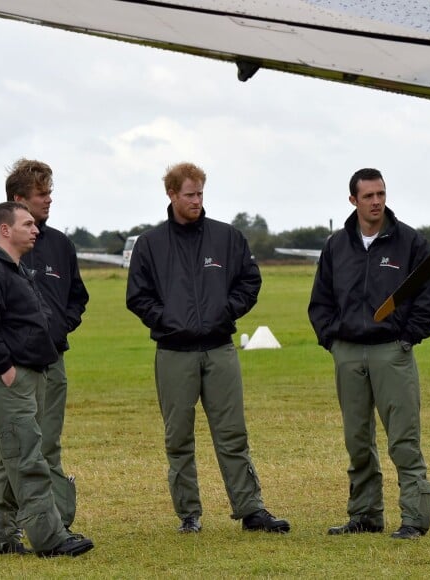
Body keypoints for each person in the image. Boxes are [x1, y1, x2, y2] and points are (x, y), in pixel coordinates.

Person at [126, 162, 290, 534]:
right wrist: (168, 320)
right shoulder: (150, 245)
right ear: (171, 194)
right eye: (189, 194)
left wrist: (224, 312)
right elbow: (137, 297)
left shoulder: (227, 238)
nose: (197, 200)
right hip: (173, 353)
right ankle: (189, 514)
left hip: (220, 349)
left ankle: (251, 510)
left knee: (233, 433)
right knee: (179, 436)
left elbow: (250, 282)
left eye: (201, 193)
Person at [0, 159, 89, 545]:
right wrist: (6, 362)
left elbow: (75, 298)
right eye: (41, 196)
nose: (48, 203)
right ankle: (48, 534)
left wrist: (56, 332)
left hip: (48, 360)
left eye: (50, 194)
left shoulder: (59, 243)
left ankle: (8, 532)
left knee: (38, 445)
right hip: (10, 367)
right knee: (22, 448)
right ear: (17, 204)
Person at [308, 168, 430, 540]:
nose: (376, 202)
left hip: (392, 352)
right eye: (368, 196)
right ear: (353, 200)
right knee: (357, 439)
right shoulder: (337, 245)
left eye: (381, 194)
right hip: (348, 353)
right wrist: (333, 342)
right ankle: (365, 514)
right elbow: (320, 301)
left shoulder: (410, 242)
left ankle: (414, 518)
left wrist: (406, 339)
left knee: (403, 438)